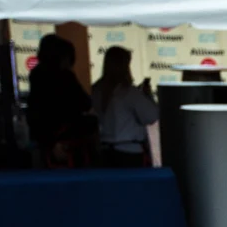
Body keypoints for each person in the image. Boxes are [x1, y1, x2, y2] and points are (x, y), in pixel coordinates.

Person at [27, 33, 93, 168]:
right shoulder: (65, 77)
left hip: (45, 140)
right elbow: (85, 103)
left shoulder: (36, 75)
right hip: (66, 140)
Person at [89, 45, 158, 168]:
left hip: (104, 152)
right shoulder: (129, 92)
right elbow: (151, 116)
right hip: (129, 153)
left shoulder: (95, 89)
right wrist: (147, 96)